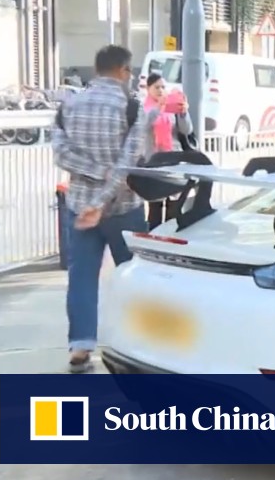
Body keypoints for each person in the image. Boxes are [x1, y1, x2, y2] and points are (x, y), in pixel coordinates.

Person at [50, 44, 149, 374]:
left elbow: (61, 154)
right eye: (129, 72)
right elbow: (127, 165)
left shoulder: (69, 105)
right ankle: (138, 343)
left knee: (81, 278)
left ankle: (80, 347)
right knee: (135, 277)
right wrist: (104, 194)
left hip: (78, 209)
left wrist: (92, 184)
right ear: (122, 71)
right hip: (124, 209)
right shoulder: (132, 107)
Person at [142, 73, 195, 229]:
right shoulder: (145, 108)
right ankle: (155, 238)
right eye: (156, 87)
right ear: (148, 89)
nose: (160, 91)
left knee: (174, 207)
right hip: (154, 163)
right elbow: (143, 127)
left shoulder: (172, 107)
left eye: (163, 87)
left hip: (173, 162)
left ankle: (170, 238)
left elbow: (186, 130)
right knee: (155, 208)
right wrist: (158, 109)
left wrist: (183, 113)